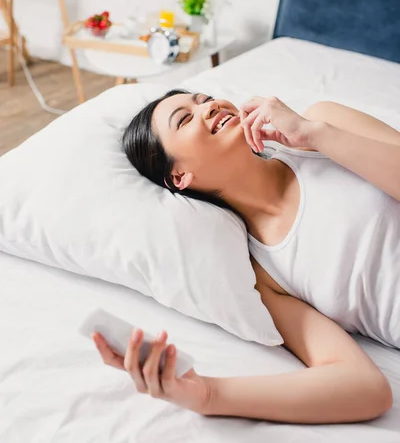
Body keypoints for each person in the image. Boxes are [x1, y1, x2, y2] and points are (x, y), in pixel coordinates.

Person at [92, 89, 400, 423]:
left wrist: (316, 134)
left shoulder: (322, 126)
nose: (209, 106)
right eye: (185, 119)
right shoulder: (264, 276)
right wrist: (207, 395)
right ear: (179, 177)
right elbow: (364, 386)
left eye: (204, 99)